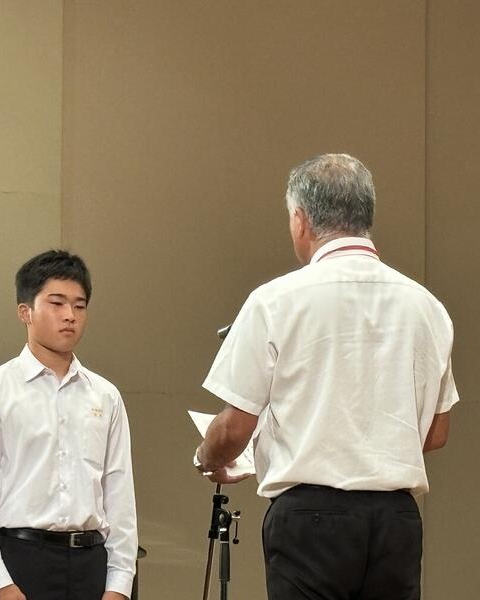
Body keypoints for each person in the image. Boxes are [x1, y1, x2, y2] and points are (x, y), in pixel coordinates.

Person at [194, 154, 459, 600]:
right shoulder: (427, 307)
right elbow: (437, 432)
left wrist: (208, 457)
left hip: (310, 518)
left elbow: (234, 428)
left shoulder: (275, 301)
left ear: (301, 220)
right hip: (396, 520)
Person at [0, 250, 138, 600]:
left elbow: (120, 494)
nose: (70, 315)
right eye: (57, 303)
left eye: (79, 306)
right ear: (25, 311)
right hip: (21, 560)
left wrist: (119, 583)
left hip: (91, 563)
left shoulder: (106, 396)